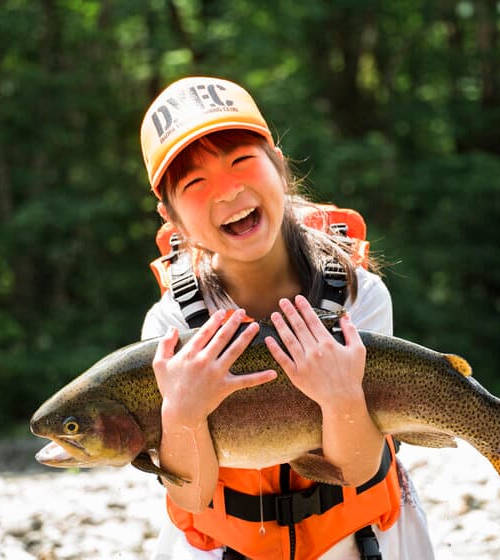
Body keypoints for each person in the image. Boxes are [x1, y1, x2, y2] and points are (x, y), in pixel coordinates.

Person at [138, 76, 434, 560]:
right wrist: (183, 414)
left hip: (358, 541)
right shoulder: (171, 328)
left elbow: (359, 469)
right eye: (194, 182)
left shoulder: (360, 296)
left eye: (241, 161)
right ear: (169, 216)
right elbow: (190, 495)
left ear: (278, 166)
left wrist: (340, 399)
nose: (226, 190)